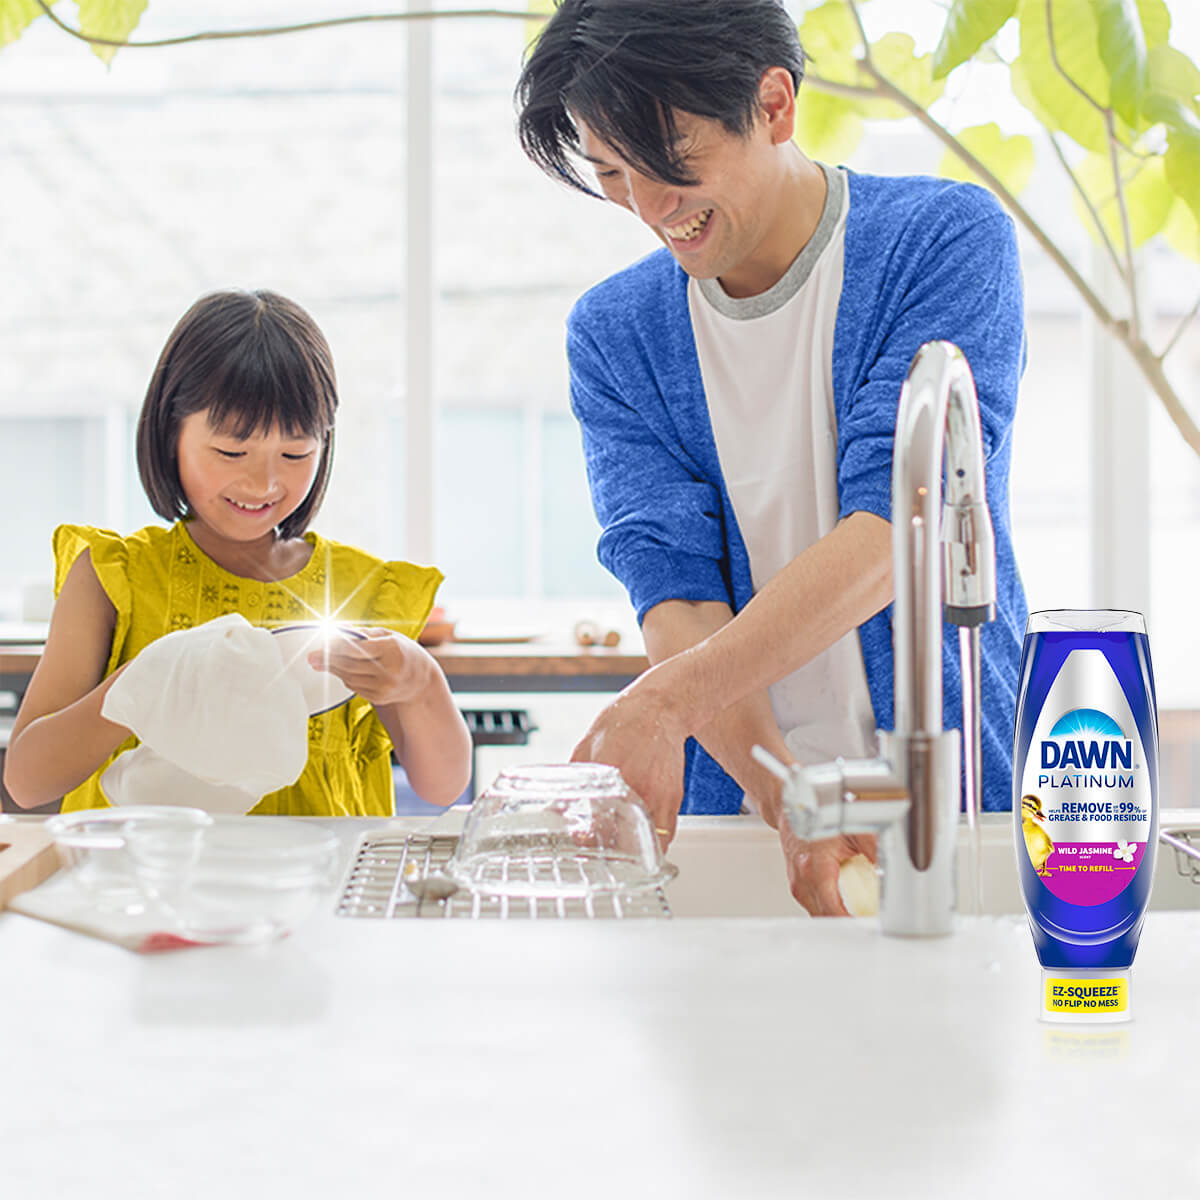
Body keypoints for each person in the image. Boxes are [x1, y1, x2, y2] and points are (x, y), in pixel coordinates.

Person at [516, 0, 1028, 913]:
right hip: (746, 814)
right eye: (611, 174)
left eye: (668, 163)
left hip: (961, 801)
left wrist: (664, 704)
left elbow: (895, 527)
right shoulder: (617, 334)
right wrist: (784, 794)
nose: (648, 208)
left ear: (774, 105)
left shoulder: (941, 242)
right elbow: (672, 590)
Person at [4, 290, 472, 816]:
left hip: (313, 889)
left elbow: (442, 786)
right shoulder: (116, 577)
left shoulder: (361, 590)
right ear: (170, 432)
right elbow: (26, 780)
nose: (264, 481)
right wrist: (141, 687)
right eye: (231, 451)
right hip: (143, 888)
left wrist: (419, 681)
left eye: (296, 453)